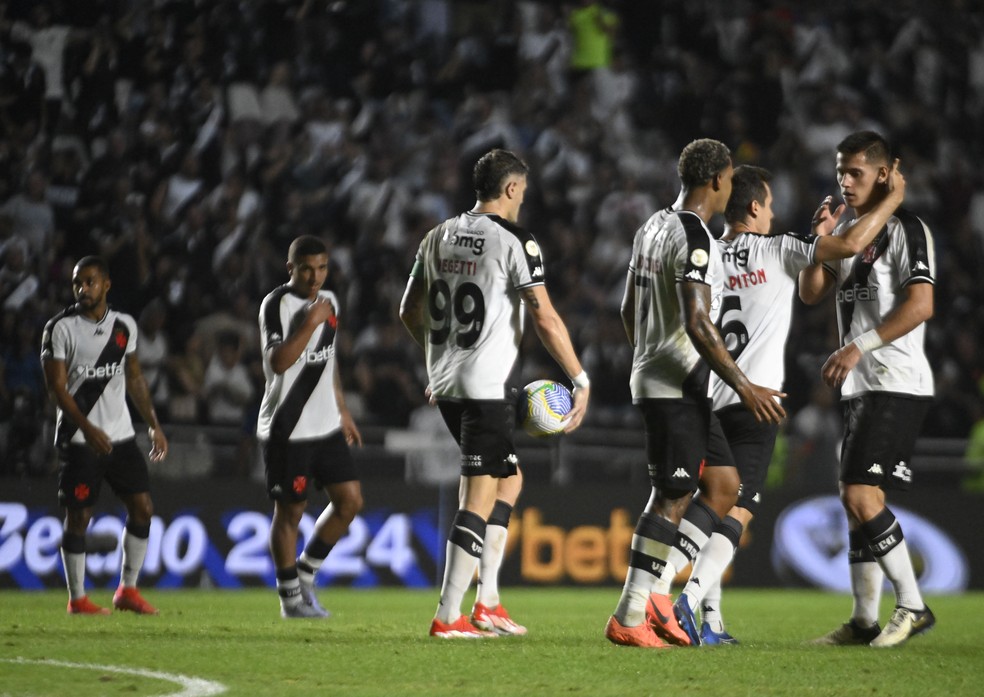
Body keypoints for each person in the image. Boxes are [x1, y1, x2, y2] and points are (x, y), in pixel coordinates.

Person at [649, 161, 905, 645]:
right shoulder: (779, 247)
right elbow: (850, 246)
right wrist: (891, 200)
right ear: (754, 207)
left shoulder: (707, 251)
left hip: (708, 397)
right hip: (756, 401)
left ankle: (710, 621)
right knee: (740, 508)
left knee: (714, 503)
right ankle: (673, 597)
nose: (772, 214)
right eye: (768, 206)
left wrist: (816, 240)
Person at [399, 148, 590, 638]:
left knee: (509, 481)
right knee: (479, 497)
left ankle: (487, 602)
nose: (522, 200)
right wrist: (579, 378)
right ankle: (448, 615)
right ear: (510, 188)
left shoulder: (437, 235)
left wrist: (441, 359)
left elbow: (408, 311)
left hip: (448, 383)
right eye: (521, 191)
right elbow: (544, 316)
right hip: (485, 386)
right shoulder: (514, 240)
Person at [605, 139, 786, 648]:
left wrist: (647, 353)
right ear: (717, 180)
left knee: (723, 485)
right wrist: (745, 387)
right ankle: (631, 614)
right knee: (672, 496)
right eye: (729, 178)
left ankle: (657, 597)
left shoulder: (651, 227)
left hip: (666, 378)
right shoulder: (695, 236)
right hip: (675, 383)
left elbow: (627, 309)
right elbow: (699, 322)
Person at [800, 131, 936, 648]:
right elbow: (811, 293)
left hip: (895, 380)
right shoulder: (849, 233)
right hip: (860, 385)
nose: (844, 180)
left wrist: (858, 346)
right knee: (857, 498)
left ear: (884, 172)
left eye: (855, 171)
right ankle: (863, 620)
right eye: (840, 171)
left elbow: (921, 305)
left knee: (858, 495)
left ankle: (913, 604)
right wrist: (819, 242)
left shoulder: (907, 229)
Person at [40, 255, 168, 615]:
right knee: (79, 518)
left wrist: (154, 424)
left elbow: (135, 378)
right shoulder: (60, 328)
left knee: (143, 508)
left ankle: (128, 590)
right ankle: (77, 598)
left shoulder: (124, 326)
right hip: (80, 440)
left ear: (106, 285)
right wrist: (88, 428)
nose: (83, 289)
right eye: (77, 283)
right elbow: (56, 389)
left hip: (121, 436)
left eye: (90, 282)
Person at [257, 234, 364, 618]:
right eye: (306, 269)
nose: (315, 276)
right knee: (290, 511)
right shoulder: (276, 304)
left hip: (326, 425)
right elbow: (278, 362)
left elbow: (327, 360)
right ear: (291, 268)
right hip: (288, 427)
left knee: (350, 501)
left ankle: (305, 573)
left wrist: (342, 409)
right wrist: (309, 322)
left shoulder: (330, 300)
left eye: (321, 268)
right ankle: (290, 599)